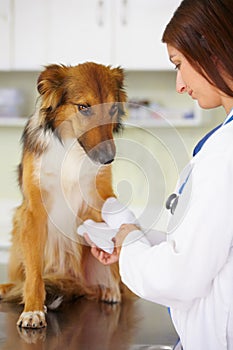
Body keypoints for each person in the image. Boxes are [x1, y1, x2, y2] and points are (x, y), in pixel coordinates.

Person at [84, 0, 233, 349]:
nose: (180, 85)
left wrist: (130, 243)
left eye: (179, 64)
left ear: (213, 50)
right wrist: (134, 238)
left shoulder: (226, 152)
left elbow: (180, 276)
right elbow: (213, 245)